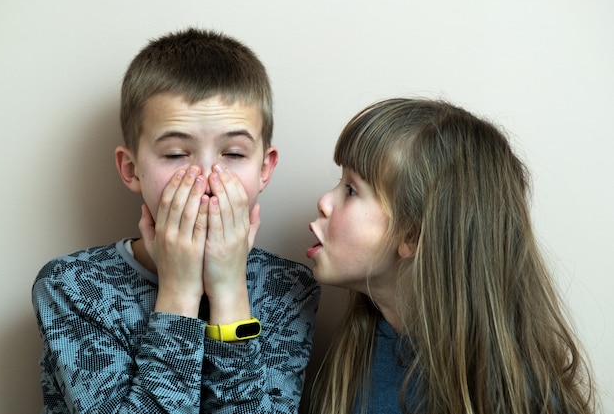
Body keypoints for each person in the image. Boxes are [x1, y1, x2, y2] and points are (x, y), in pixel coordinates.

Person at [32, 28, 320, 413]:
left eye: (233, 153)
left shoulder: (289, 288)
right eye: (175, 155)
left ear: (264, 169)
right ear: (132, 169)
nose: (205, 178)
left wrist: (231, 290)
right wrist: (179, 291)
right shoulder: (72, 288)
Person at [306, 98, 597, 414]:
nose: (324, 201)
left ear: (412, 235)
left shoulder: (517, 401)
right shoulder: (361, 344)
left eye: (351, 190)